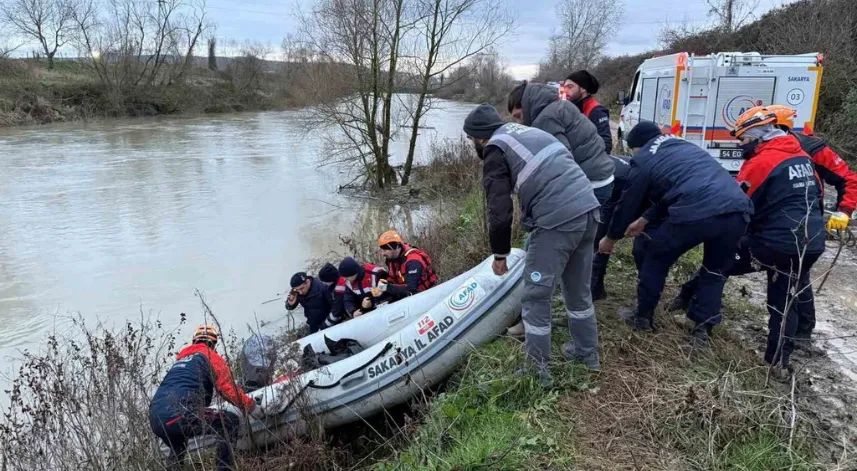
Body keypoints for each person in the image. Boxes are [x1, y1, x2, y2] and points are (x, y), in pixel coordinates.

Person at [673, 107, 825, 371]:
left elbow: (736, 203)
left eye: (742, 140)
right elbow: (818, 197)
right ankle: (778, 361)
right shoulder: (802, 157)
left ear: (757, 136)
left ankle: (698, 322)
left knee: (717, 265)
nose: (740, 144)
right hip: (810, 243)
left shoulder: (761, 162)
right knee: (784, 302)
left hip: (773, 243)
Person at [463, 103, 602, 385]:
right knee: (578, 291)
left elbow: (499, 210)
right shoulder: (528, 132)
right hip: (589, 211)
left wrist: (499, 254)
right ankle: (587, 355)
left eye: (472, 142)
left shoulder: (495, 150)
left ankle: (537, 372)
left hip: (558, 221)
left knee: (536, 296)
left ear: (479, 138)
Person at [598, 121, 753, 346]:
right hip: (738, 209)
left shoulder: (643, 160)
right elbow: (680, 185)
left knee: (655, 257)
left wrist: (610, 237)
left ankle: (642, 318)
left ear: (637, 147)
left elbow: (627, 204)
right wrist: (646, 218)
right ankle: (702, 330)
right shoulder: (681, 146)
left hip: (696, 212)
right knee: (714, 270)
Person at [506, 81, 615, 338]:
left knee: (539, 248)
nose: (520, 123)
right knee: (576, 252)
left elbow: (557, 164)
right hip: (601, 180)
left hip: (587, 185)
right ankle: (574, 311)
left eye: (518, 116)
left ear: (527, 106)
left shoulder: (546, 119)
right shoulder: (559, 106)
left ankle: (532, 315)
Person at [149, 325, 265, 471]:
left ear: (194, 341)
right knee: (229, 422)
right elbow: (228, 389)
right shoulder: (211, 357)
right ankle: (224, 469)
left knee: (178, 445)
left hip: (155, 418)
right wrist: (252, 406)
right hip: (179, 414)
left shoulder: (179, 363)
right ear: (213, 343)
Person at [767, 104, 856, 230]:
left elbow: (848, 178)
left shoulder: (811, 147)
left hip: (806, 222)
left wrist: (843, 211)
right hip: (768, 222)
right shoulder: (756, 148)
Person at [590, 155, 632, 300]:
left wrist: (610, 237)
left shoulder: (614, 177)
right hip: (617, 184)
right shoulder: (594, 159)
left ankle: (594, 290)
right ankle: (597, 288)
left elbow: (614, 210)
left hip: (619, 187)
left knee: (600, 242)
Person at [375, 230, 438, 302]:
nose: (382, 253)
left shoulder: (413, 261)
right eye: (381, 250)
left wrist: (387, 287)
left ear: (394, 247)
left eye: (385, 250)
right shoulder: (392, 260)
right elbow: (394, 280)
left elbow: (411, 289)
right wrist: (384, 282)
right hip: (409, 299)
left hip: (427, 296)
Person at [563, 70, 613, 153]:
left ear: (583, 88)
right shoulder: (568, 107)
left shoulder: (596, 110)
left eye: (570, 87)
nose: (565, 90)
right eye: (564, 87)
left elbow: (605, 144)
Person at [318, 262, 349, 327]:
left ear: (330, 279)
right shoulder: (336, 281)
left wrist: (324, 327)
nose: (324, 283)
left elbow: (336, 311)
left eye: (325, 281)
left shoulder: (340, 289)